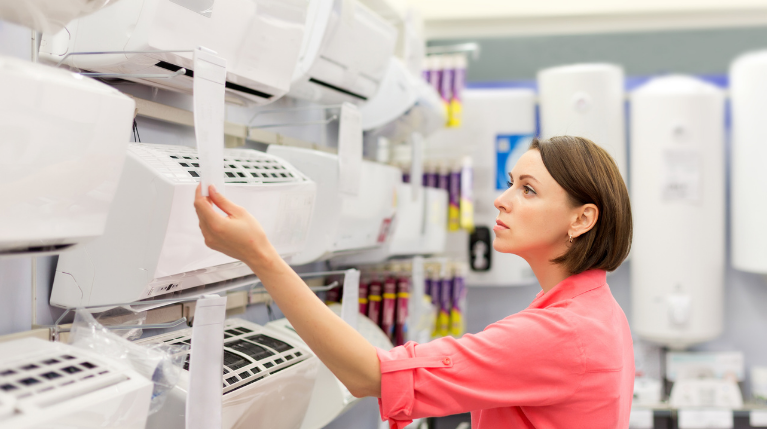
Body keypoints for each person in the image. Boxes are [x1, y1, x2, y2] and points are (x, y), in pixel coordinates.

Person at [194, 135, 634, 429]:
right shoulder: (596, 312)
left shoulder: (559, 334)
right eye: (509, 184)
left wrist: (261, 257)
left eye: (528, 190)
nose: (502, 200)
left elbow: (370, 375)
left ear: (582, 218)